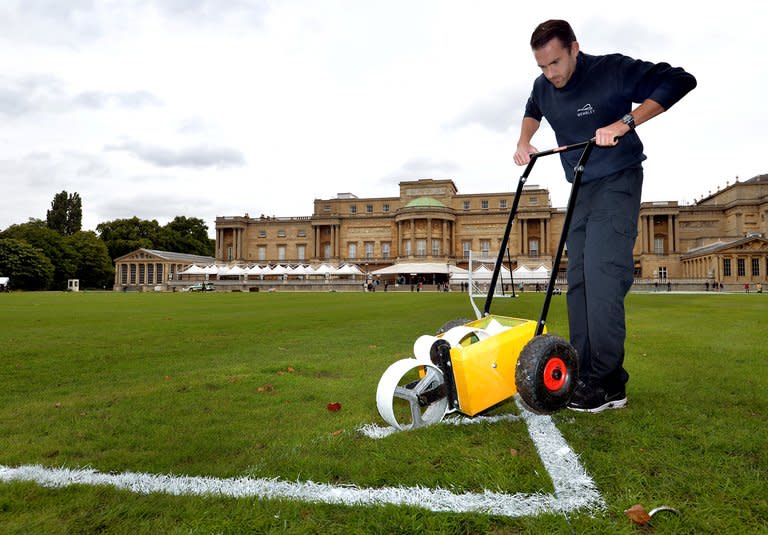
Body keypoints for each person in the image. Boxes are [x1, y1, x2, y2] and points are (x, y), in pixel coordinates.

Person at [513, 20, 696, 413]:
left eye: (556, 63)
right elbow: (534, 108)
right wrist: (525, 141)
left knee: (602, 275)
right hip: (579, 187)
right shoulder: (543, 85)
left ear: (575, 48)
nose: (551, 74)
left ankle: (610, 383)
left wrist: (625, 122)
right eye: (542, 66)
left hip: (618, 180)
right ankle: (582, 373)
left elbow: (680, 80)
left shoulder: (611, 69)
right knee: (576, 278)